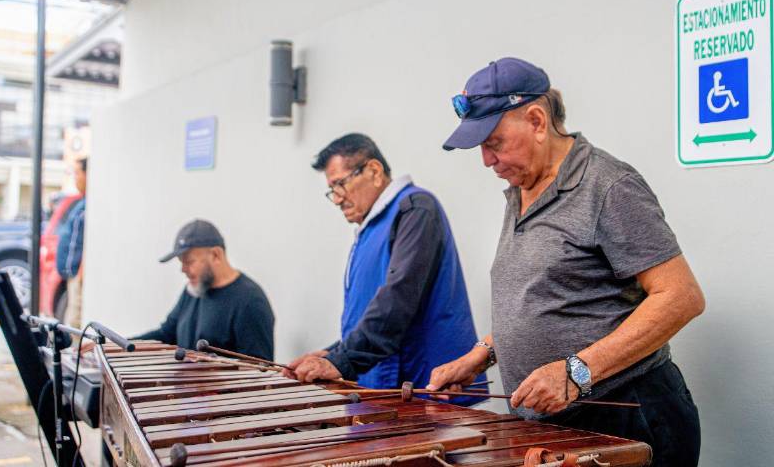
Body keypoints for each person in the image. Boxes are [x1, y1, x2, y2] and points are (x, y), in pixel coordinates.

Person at [429, 57, 705, 466]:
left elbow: (681, 297)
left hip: (625, 418)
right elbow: (546, 299)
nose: (487, 160)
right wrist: (483, 352)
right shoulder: (521, 187)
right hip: (551, 427)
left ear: (537, 121)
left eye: (494, 142)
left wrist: (577, 372)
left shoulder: (608, 186)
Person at [286, 134, 486, 401]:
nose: (337, 199)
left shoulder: (414, 209)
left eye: (340, 185)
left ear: (374, 171)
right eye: (331, 190)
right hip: (380, 389)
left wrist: (343, 360)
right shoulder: (371, 227)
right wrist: (334, 353)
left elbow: (398, 298)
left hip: (425, 392)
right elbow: (369, 310)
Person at [135, 219, 275, 360]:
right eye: (181, 263)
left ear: (216, 255)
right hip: (184, 381)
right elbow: (166, 335)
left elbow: (261, 370)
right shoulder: (193, 290)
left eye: (189, 262)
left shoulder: (250, 301)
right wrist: (122, 346)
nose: (183, 270)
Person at [56, 157, 87, 327]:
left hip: (79, 274)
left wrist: (82, 271)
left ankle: (77, 353)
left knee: (75, 320)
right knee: (71, 318)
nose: (75, 178)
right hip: (72, 274)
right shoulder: (81, 202)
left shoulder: (92, 204)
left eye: (77, 173)